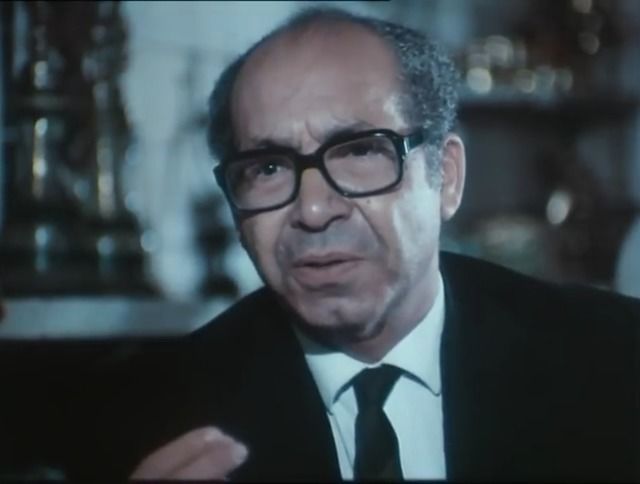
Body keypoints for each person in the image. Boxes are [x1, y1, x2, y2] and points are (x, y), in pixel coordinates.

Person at [8, 6, 637, 482]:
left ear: (445, 178)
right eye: (267, 167)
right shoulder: (148, 422)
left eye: (360, 152)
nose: (312, 210)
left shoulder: (614, 362)